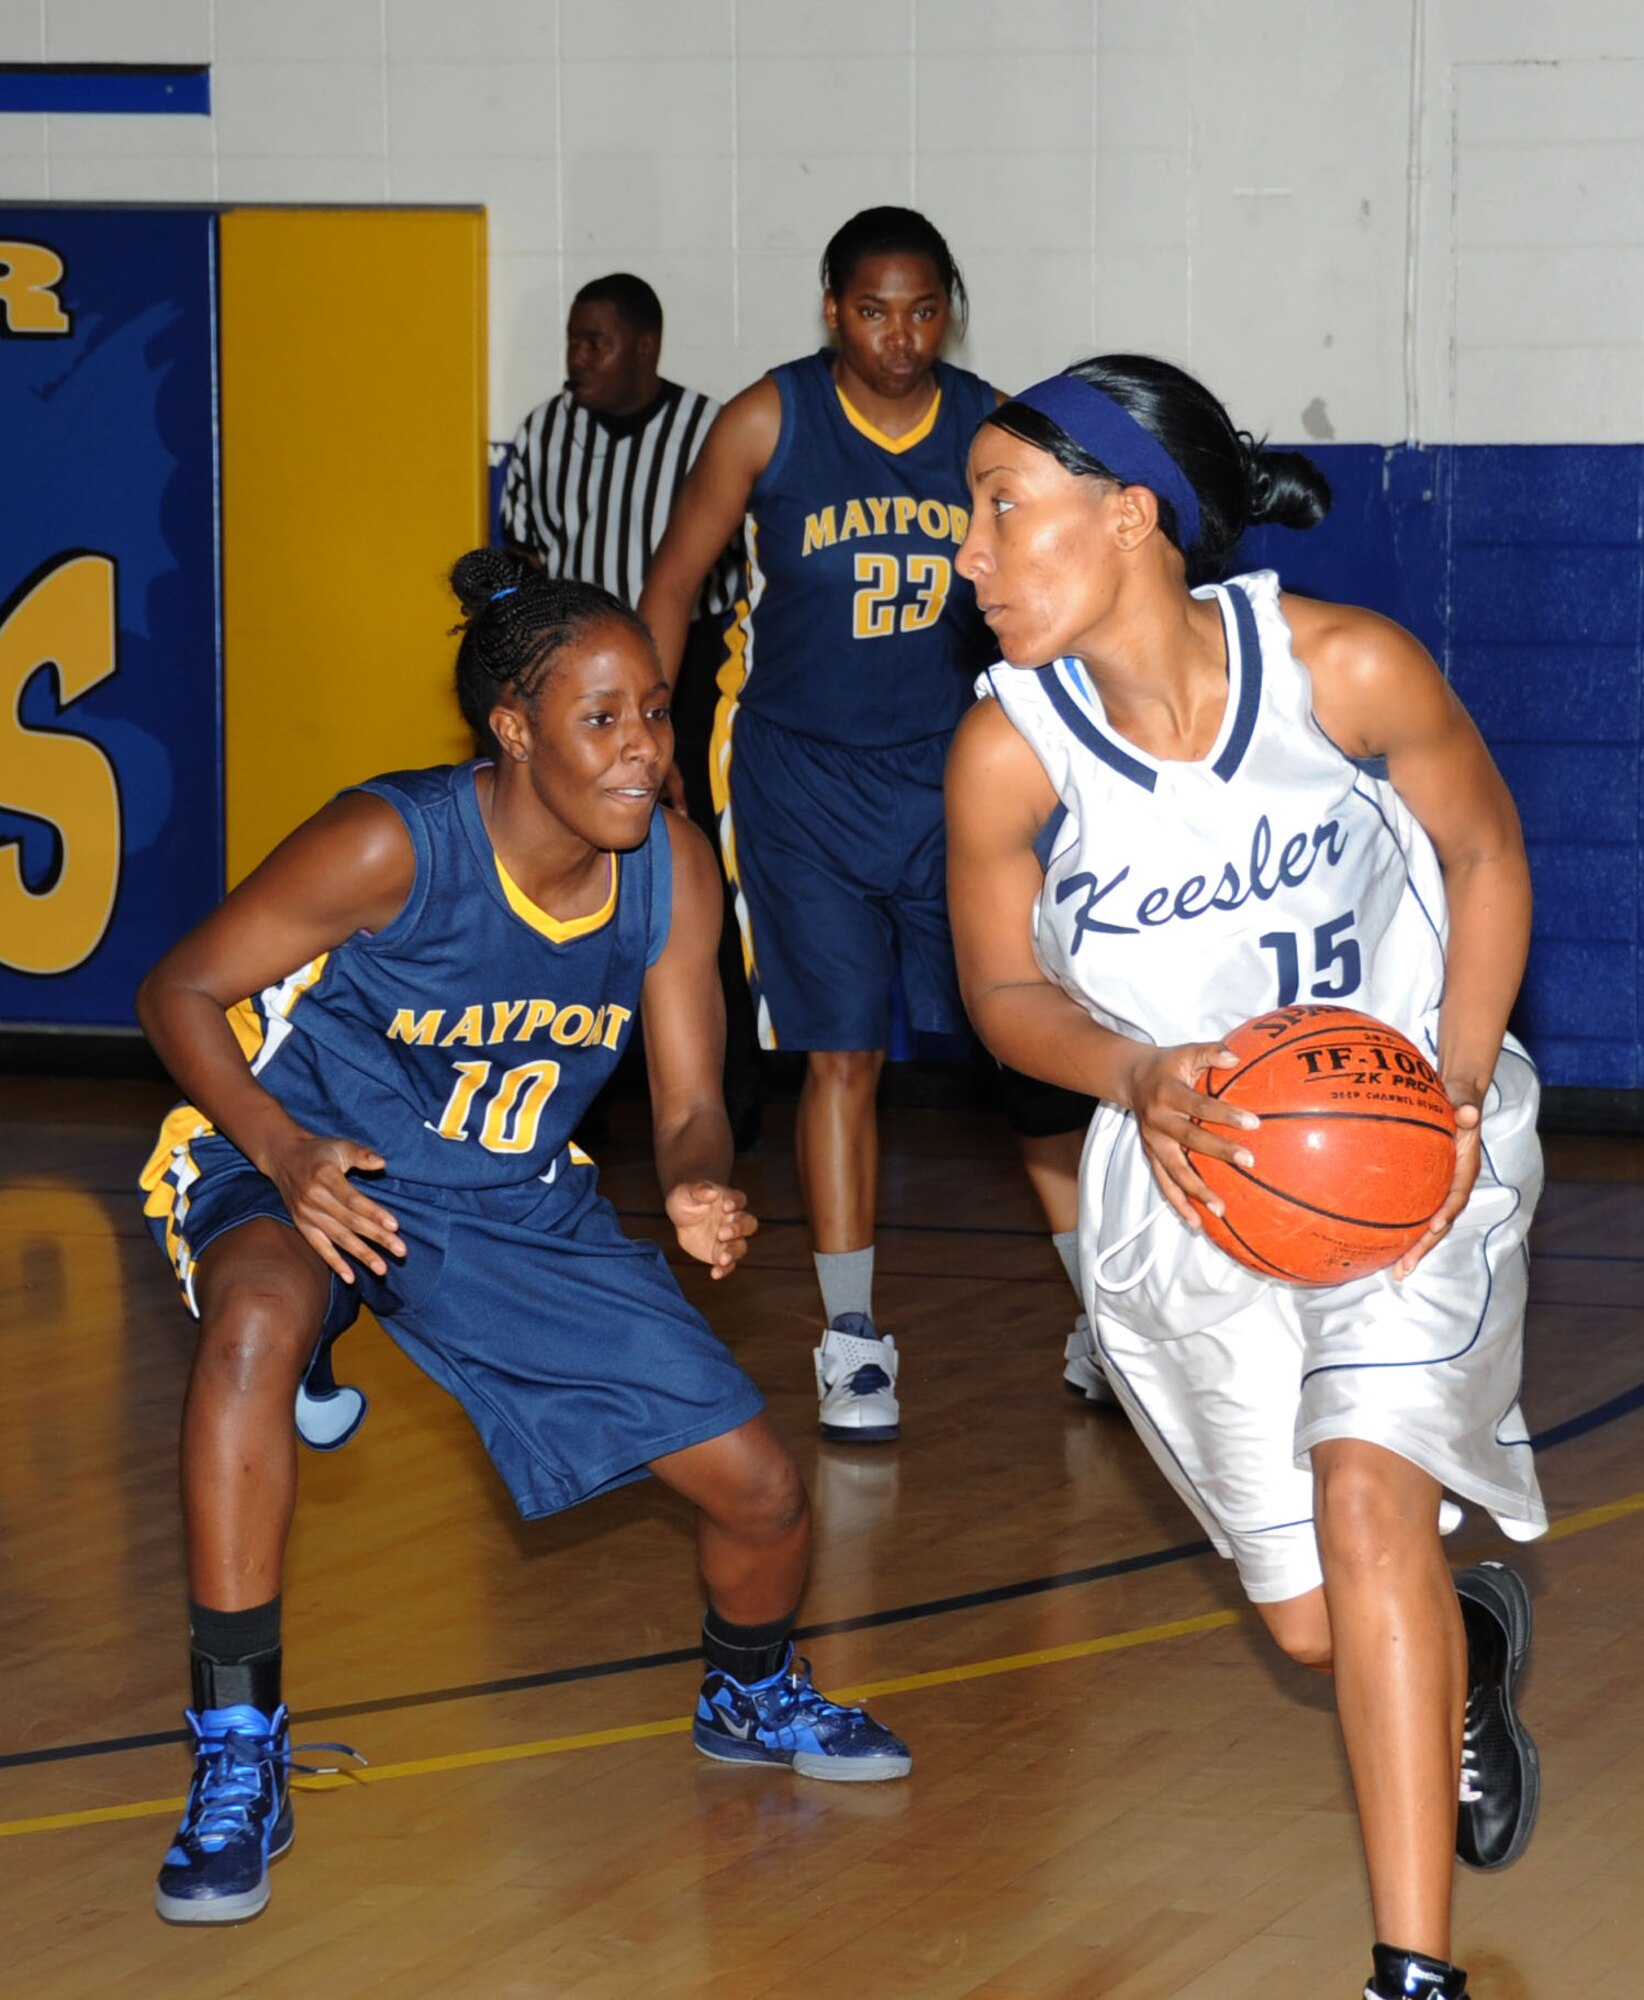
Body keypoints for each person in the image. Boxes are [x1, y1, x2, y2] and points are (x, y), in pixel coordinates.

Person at [135, 554, 911, 1927]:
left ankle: (745, 1690)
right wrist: (281, 1148)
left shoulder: (669, 863)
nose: (643, 749)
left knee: (765, 1497)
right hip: (309, 1154)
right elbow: (179, 987)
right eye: (602, 719)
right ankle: (238, 1752)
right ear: (513, 727)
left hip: (505, 1200)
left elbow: (685, 1105)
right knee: (257, 1319)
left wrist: (692, 1184)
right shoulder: (392, 843)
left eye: (657, 713)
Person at [944, 355, 1544, 2000]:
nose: (966, 555)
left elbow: (1481, 852)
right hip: (1180, 1177)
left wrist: (1452, 1076)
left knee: (1367, 1498)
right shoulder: (1008, 758)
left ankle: (1407, 1974)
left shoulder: (1340, 668)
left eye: (1000, 511)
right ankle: (1465, 1640)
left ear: (1126, 515)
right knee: (1311, 1627)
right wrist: (1132, 1074)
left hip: (1393, 1141)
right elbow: (1000, 999)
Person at [638, 206, 997, 1443]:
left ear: (949, 307)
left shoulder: (990, 431)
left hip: (954, 776)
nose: (900, 337)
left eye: (922, 309)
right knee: (840, 1051)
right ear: (832, 310)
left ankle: (1108, 1317)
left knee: (1032, 1044)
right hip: (796, 779)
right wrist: (654, 745)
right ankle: (852, 1339)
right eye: (871, 310)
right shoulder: (768, 419)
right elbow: (674, 582)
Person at [501, 272, 759, 1150]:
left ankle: (716, 1103)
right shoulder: (543, 431)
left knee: (690, 881)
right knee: (557, 883)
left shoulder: (705, 432)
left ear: (645, 347)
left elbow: (721, 581)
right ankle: (572, 1102)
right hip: (564, 698)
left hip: (677, 682)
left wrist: (664, 717)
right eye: (573, 340)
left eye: (596, 342)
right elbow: (521, 570)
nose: (577, 359)